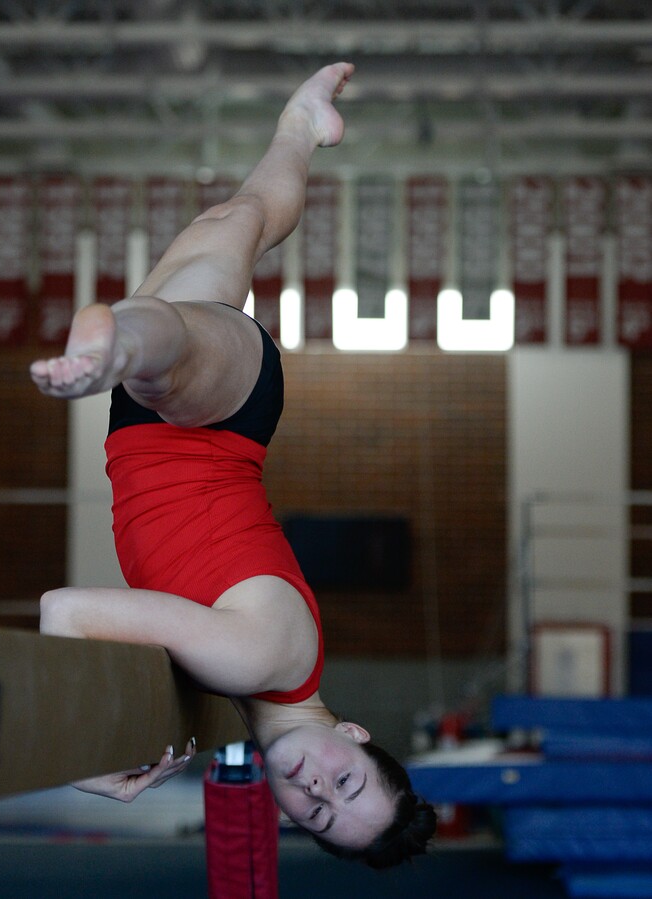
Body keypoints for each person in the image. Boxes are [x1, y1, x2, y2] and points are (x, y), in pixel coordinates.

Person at [30, 62, 436, 868]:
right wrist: (73, 747)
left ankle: (301, 128)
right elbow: (63, 611)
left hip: (168, 434)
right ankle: (112, 347)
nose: (314, 787)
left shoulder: (267, 681)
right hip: (208, 421)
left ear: (290, 820)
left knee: (237, 218)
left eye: (316, 813)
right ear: (356, 734)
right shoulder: (253, 661)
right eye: (346, 781)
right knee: (163, 355)